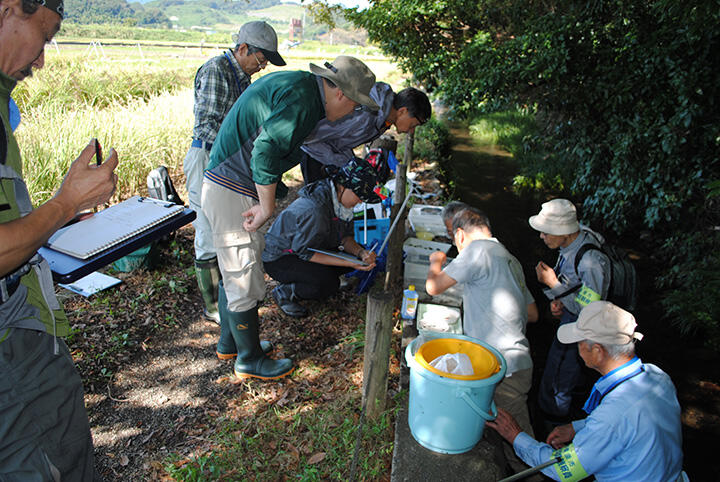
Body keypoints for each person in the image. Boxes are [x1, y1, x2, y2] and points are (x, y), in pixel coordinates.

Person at [202, 55, 378, 380]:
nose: (352, 114)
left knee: (236, 265)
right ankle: (250, 359)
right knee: (243, 272)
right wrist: (268, 206)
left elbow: (307, 146)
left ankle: (232, 342)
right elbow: (265, 149)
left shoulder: (303, 92)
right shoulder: (303, 99)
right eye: (355, 106)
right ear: (341, 93)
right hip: (231, 184)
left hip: (229, 181)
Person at [0, 0, 119, 477]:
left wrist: (55, 217)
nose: (41, 59)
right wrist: (64, 203)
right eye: (44, 37)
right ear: (10, 9)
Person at [488, 301, 687, 482]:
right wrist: (577, 427)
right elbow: (630, 423)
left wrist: (516, 436)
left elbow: (564, 469)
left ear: (598, 351)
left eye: (580, 342)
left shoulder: (612, 415)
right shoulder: (657, 375)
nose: (577, 347)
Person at [184, 21, 285, 323]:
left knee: (232, 232)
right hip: (208, 157)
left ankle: (232, 299)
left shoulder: (245, 79)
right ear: (242, 49)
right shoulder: (218, 70)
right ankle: (213, 305)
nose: (261, 66)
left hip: (229, 163)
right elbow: (209, 124)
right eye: (260, 59)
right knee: (207, 230)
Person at [425, 207, 539, 474]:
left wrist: (435, 261)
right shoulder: (510, 259)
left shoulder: (478, 251)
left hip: (504, 368)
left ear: (460, 235)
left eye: (455, 241)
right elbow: (532, 313)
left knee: (522, 445)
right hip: (519, 360)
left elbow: (433, 287)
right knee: (512, 437)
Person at [263, 156, 388, 317]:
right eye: (359, 197)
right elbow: (305, 252)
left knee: (353, 259)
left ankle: (313, 279)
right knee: (328, 283)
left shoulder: (341, 203)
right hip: (281, 256)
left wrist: (360, 254)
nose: (359, 203)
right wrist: (347, 261)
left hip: (311, 245)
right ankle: (285, 292)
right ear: (344, 187)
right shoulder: (316, 209)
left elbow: (345, 238)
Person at [528, 198, 611, 424]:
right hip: (569, 318)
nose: (541, 237)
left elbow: (589, 310)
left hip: (581, 330)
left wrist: (554, 285)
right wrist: (560, 300)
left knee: (561, 376)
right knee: (555, 369)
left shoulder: (591, 262)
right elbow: (576, 288)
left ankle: (553, 422)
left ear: (564, 231)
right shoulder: (570, 242)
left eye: (546, 232)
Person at [299, 84, 431, 184]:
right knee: (320, 205)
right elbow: (313, 137)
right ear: (402, 111)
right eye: (413, 125)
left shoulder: (383, 120)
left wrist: (350, 164)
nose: (411, 130)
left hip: (329, 155)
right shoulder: (367, 114)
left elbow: (341, 141)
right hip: (315, 154)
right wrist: (344, 165)